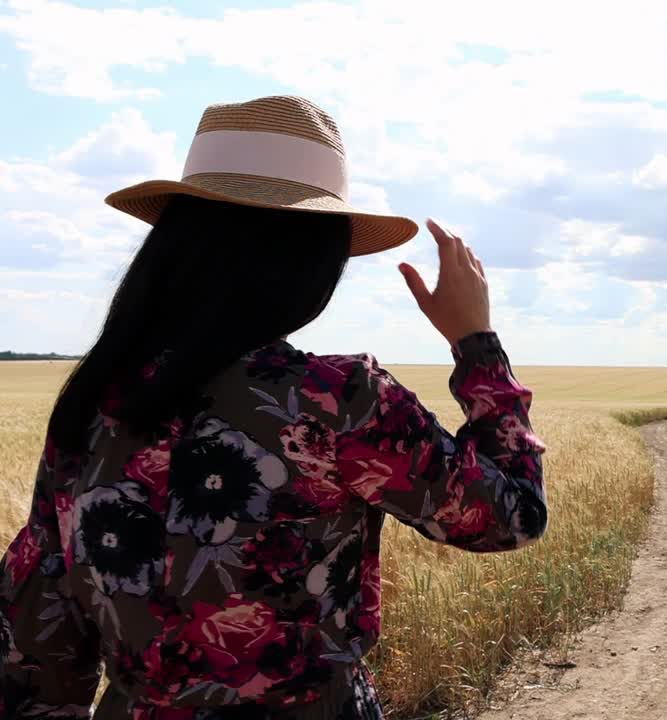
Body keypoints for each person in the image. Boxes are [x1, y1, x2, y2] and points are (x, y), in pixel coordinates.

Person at [0, 96, 548, 719]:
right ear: (311, 260)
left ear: (176, 243)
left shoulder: (93, 403)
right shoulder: (338, 400)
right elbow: (513, 515)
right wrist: (475, 345)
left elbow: (33, 652)